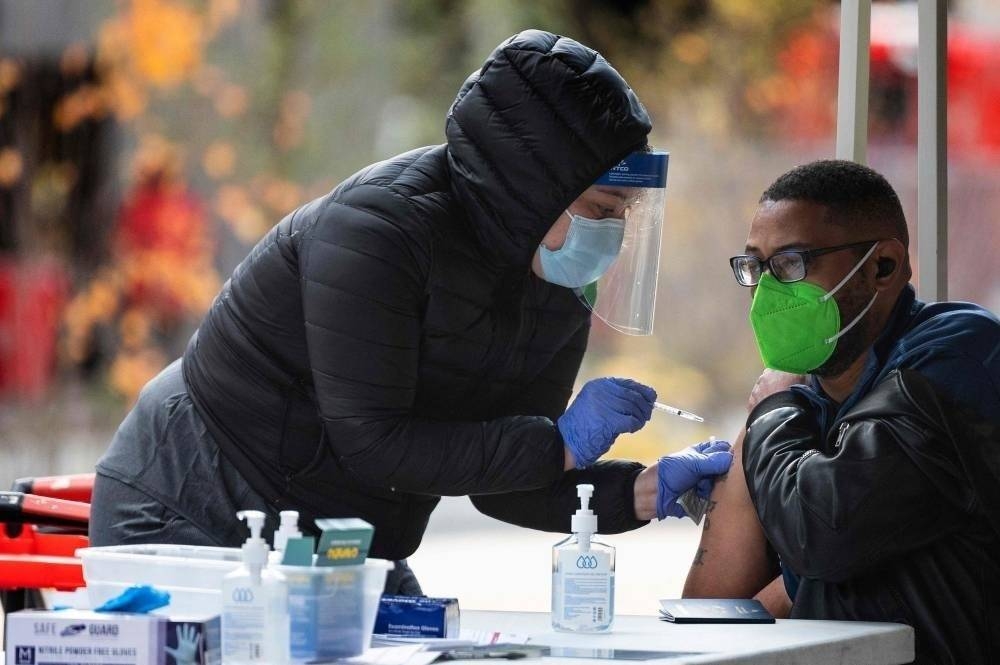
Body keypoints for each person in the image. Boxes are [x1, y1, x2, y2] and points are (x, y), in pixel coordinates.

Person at [89, 29, 733, 594]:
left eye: (623, 215)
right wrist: (556, 445)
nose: (612, 234)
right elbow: (375, 442)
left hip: (338, 531)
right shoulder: (378, 232)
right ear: (535, 188)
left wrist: (642, 491)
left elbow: (508, 478)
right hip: (197, 501)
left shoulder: (552, 281)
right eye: (601, 208)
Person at [684, 159, 1000, 664]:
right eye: (756, 268)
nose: (767, 291)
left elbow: (827, 534)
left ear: (883, 266)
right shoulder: (797, 405)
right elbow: (704, 622)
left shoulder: (960, 355)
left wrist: (769, 414)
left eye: (791, 263)